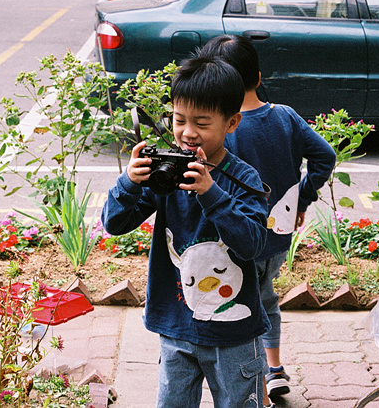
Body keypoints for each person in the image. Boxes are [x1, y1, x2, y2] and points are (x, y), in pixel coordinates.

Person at [101, 55, 271, 408]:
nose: (188, 132)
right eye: (179, 120)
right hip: (176, 325)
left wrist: (211, 193)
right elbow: (114, 223)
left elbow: (252, 243)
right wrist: (130, 182)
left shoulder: (244, 179)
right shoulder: (167, 173)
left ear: (232, 123)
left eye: (202, 122)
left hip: (235, 332)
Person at [198, 35, 336, 401]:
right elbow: (325, 157)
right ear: (258, 77)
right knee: (266, 298)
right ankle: (274, 369)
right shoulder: (285, 117)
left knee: (247, 306)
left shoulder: (223, 129)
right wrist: (302, 196)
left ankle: (255, 379)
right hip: (277, 231)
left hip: (235, 240)